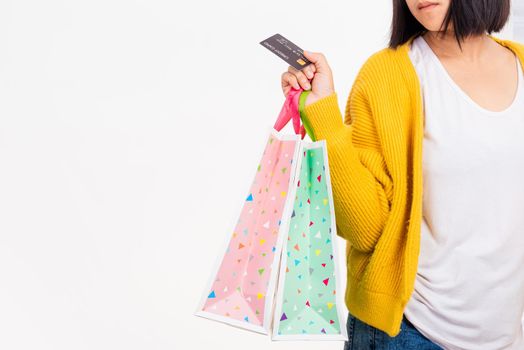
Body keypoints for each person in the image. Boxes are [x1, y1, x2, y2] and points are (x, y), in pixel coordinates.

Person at [281, 0, 524, 349]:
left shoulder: (521, 62)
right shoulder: (387, 74)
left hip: (506, 337)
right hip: (410, 331)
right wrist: (323, 113)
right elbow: (365, 228)